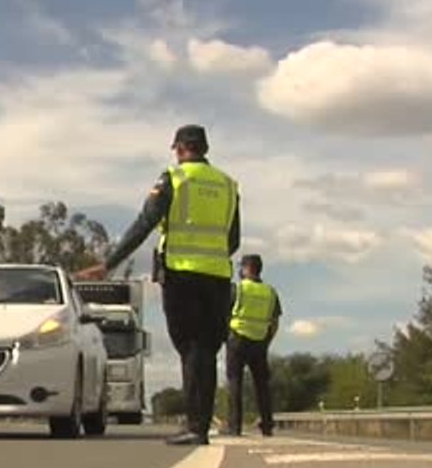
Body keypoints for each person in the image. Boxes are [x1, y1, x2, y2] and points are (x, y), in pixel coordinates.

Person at [76, 125, 240, 445]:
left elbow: (144, 223)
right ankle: (201, 424)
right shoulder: (228, 185)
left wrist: (109, 264)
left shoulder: (173, 179)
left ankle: (195, 427)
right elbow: (233, 240)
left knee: (189, 348)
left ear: (179, 149)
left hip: (181, 275)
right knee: (206, 350)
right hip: (218, 276)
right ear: (204, 148)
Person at [224, 254, 282, 437]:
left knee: (235, 382)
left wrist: (226, 336)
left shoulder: (238, 289)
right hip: (260, 341)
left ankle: (235, 426)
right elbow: (275, 321)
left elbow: (224, 314)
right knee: (262, 385)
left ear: (245, 268)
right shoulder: (270, 292)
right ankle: (267, 425)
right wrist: (267, 340)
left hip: (237, 339)